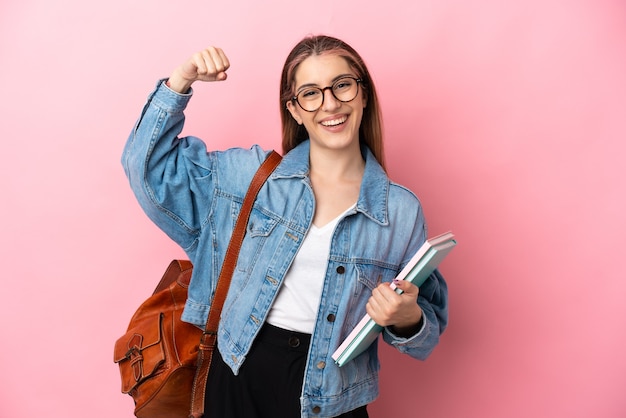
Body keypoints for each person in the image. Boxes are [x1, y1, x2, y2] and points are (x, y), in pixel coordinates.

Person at [122, 34, 448, 418]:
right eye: (311, 93)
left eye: (342, 85)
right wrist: (181, 80)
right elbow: (146, 169)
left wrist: (406, 316)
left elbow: (426, 325)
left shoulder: (400, 210)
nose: (330, 104)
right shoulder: (250, 178)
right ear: (294, 109)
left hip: (332, 397)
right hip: (239, 377)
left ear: (363, 95)